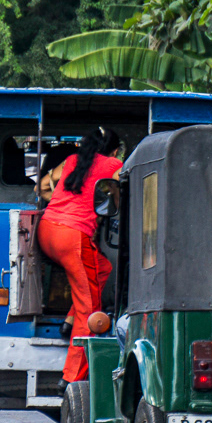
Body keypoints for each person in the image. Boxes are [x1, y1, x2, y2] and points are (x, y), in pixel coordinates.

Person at [36, 127, 123, 390]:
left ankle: (68, 320)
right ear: (115, 150)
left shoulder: (73, 161)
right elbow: (126, 197)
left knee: (102, 267)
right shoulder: (114, 165)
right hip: (72, 239)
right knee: (91, 310)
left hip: (47, 231)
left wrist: (63, 203)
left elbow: (42, 188)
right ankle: (71, 377)